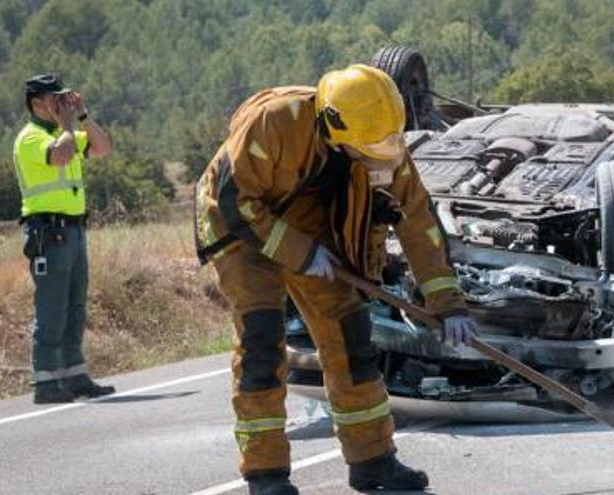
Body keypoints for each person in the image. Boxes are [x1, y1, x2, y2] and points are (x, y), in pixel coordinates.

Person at [194, 64, 479, 495]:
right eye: (367, 150)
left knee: (350, 335)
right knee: (261, 340)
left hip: (309, 219)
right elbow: (236, 203)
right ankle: (266, 475)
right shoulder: (275, 121)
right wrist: (300, 252)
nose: (378, 156)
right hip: (241, 224)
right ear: (334, 126)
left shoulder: (381, 137)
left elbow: (419, 223)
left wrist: (448, 304)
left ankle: (373, 461)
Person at [12, 74, 113, 404]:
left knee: (75, 305)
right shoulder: (30, 138)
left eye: (62, 98)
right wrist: (68, 124)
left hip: (73, 229)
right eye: (54, 99)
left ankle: (74, 375)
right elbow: (60, 156)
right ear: (37, 103)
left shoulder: (64, 132)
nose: (60, 104)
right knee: (52, 308)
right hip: (47, 232)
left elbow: (102, 148)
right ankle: (45, 382)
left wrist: (82, 115)